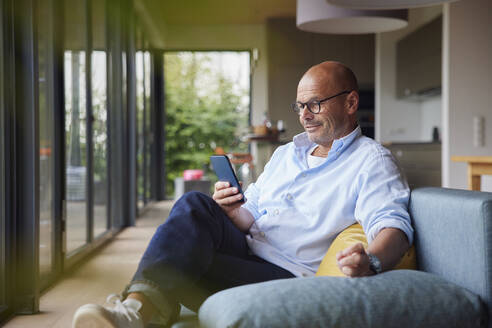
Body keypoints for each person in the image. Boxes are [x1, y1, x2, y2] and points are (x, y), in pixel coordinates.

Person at [72, 61, 413, 328]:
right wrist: (230, 209)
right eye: (300, 106)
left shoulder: (371, 161)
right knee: (196, 205)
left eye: (315, 104)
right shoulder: (286, 154)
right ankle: (135, 312)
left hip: (285, 275)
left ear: (351, 102)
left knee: (179, 259)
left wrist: (371, 261)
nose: (304, 116)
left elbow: (393, 227)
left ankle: (137, 313)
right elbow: (248, 215)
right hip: (247, 250)